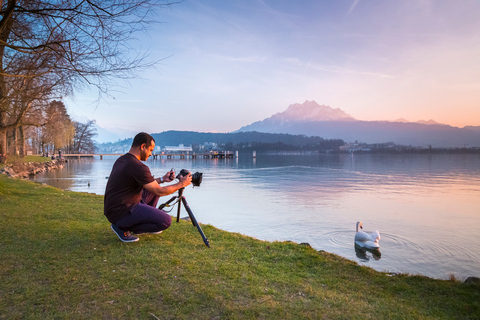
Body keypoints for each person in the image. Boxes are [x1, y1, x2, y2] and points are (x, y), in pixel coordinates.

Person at [104, 132, 192, 242]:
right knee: (166, 221)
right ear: (143, 146)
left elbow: (148, 184)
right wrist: (181, 184)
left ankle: (139, 220)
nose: (151, 154)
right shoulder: (138, 166)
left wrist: (162, 179)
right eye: (150, 150)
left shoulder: (123, 160)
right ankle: (123, 228)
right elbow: (159, 192)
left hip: (114, 209)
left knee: (154, 188)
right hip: (123, 212)